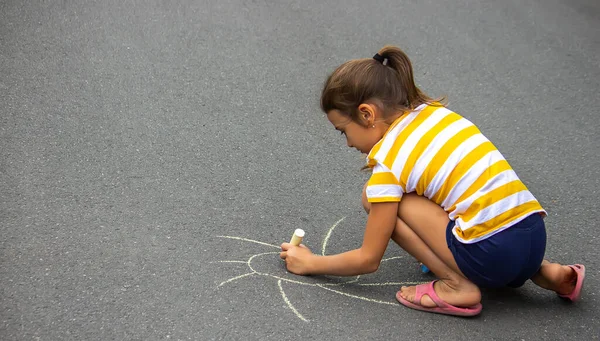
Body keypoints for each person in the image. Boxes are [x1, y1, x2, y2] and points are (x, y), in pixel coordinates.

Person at [279, 45, 585, 317]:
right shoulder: (435, 114)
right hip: (533, 236)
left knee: (374, 199)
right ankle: (549, 273)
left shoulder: (390, 162)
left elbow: (368, 259)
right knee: (470, 206)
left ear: (367, 114)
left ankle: (457, 285)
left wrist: (310, 263)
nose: (347, 143)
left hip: (493, 255)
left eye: (342, 130)